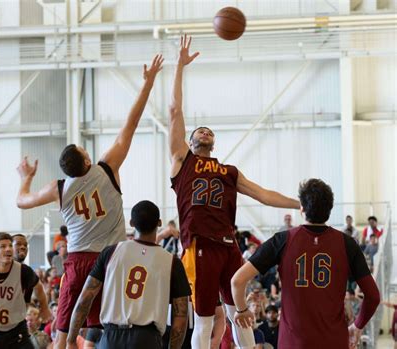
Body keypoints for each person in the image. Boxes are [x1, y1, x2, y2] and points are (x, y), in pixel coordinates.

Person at [16, 54, 164, 349]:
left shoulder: (58, 188)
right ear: (86, 160)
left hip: (78, 260)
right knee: (107, 325)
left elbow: (22, 201)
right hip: (109, 259)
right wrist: (147, 83)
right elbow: (131, 124)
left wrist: (26, 176)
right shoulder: (106, 168)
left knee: (64, 332)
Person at [168, 34, 300, 349]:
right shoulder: (181, 163)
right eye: (199, 130)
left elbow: (264, 195)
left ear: (214, 143)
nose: (204, 130)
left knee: (237, 313)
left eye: (208, 130)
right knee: (204, 320)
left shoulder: (229, 172)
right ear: (189, 142)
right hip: (199, 246)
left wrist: (301, 203)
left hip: (229, 246)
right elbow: (175, 111)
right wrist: (180, 66)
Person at [231, 179, 380, 349]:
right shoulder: (347, 244)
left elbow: (237, 281)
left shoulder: (282, 240)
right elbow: (373, 296)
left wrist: (242, 310)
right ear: (330, 209)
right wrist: (357, 326)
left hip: (293, 343)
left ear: (301, 208)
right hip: (334, 342)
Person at [66, 200, 191, 349]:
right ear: (159, 223)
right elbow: (181, 317)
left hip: (111, 338)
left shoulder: (111, 253)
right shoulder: (172, 262)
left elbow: (84, 299)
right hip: (147, 339)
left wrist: (71, 339)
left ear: (131, 223)